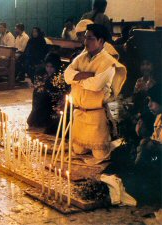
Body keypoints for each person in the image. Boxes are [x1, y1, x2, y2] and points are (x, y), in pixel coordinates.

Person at [64, 24, 127, 164]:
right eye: (85, 38)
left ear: (101, 41)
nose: (86, 42)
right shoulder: (81, 57)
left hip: (96, 115)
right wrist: (86, 76)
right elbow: (66, 76)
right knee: (78, 150)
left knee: (99, 155)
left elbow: (95, 85)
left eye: (91, 38)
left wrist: (77, 79)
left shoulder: (108, 62)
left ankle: (114, 143)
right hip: (79, 114)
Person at [27, 53, 69, 134]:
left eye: (52, 67)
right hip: (43, 100)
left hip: (54, 102)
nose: (49, 69)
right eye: (47, 66)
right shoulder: (41, 73)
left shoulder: (61, 76)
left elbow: (61, 93)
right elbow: (38, 88)